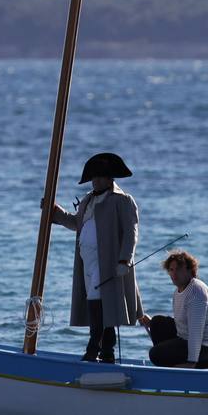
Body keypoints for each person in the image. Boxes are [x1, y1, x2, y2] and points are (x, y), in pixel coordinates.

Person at [48, 152, 141, 363]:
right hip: (86, 262)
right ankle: (107, 352)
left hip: (108, 262)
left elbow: (131, 232)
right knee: (100, 305)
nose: (96, 180)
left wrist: (124, 260)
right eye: (94, 177)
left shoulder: (123, 200)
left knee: (98, 303)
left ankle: (93, 350)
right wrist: (56, 214)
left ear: (110, 179)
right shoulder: (87, 200)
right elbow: (77, 224)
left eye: (101, 176)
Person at [140, 250, 208, 369]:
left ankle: (201, 363)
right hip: (187, 338)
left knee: (155, 354)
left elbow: (196, 331)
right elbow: (183, 323)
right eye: (171, 270)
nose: (174, 274)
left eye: (179, 269)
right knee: (157, 322)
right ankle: (191, 363)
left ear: (189, 270)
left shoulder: (196, 291)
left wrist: (191, 362)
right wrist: (151, 323)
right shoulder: (178, 291)